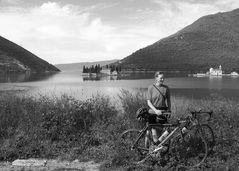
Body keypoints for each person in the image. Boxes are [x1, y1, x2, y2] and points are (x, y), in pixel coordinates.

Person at [146, 71, 171, 146]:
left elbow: (168, 100)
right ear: (156, 78)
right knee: (153, 132)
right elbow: (148, 102)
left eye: (163, 78)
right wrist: (155, 110)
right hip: (152, 112)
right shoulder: (151, 87)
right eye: (161, 78)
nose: (162, 79)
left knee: (161, 132)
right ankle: (149, 150)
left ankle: (157, 149)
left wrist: (169, 110)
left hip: (162, 112)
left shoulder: (166, 88)